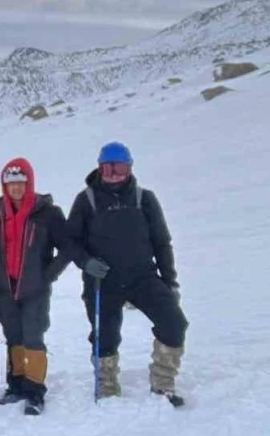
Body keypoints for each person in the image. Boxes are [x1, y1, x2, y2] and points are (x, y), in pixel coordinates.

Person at [65, 142, 188, 406]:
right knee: (105, 335)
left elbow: (161, 242)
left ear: (129, 168)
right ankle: (107, 386)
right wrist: (86, 262)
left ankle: (163, 383)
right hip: (102, 281)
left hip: (142, 277)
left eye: (118, 168)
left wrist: (170, 281)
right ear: (99, 169)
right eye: (107, 168)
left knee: (174, 323)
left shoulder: (145, 199)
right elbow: (70, 241)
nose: (112, 174)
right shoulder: (87, 200)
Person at [0, 158, 72, 415]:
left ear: (29, 182)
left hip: (34, 290)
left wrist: (47, 275)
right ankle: (16, 386)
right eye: (11, 183)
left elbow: (67, 248)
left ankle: (34, 392)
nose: (16, 188)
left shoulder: (48, 213)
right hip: (6, 289)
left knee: (33, 337)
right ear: (4, 186)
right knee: (13, 337)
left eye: (21, 182)